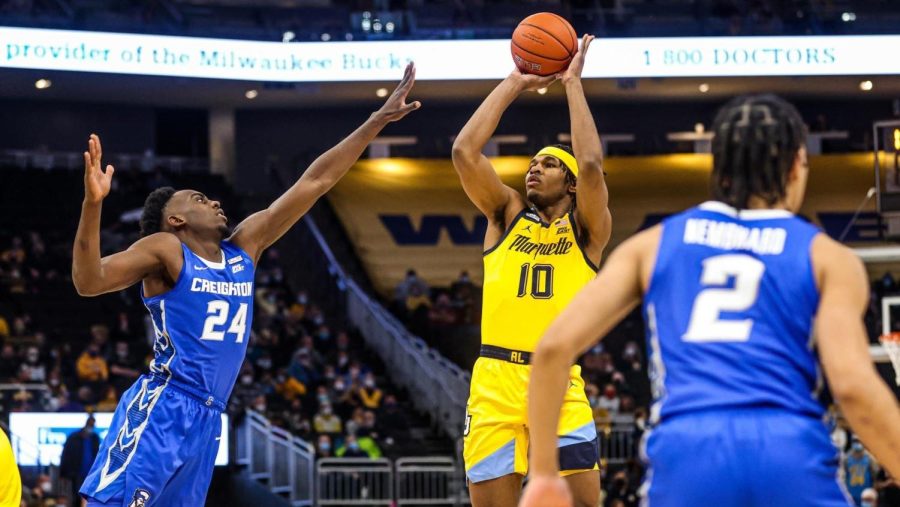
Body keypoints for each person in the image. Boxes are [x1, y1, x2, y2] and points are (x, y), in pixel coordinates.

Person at [521, 94, 900, 507]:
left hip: (688, 451)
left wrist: (542, 474)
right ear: (795, 166)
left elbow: (554, 348)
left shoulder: (652, 245)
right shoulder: (829, 257)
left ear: (717, 165)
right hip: (788, 447)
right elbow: (852, 386)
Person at [72, 64, 420, 507]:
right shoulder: (166, 248)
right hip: (164, 406)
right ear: (176, 220)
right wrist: (92, 204)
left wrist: (376, 121)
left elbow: (315, 182)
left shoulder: (244, 249)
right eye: (199, 199)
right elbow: (89, 281)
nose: (214, 200)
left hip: (209, 415)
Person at [452, 34, 610, 506]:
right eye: (531, 164)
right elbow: (464, 151)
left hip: (559, 381)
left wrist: (573, 83)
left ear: (572, 184)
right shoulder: (504, 216)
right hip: (495, 379)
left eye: (547, 164)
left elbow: (592, 162)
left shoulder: (586, 232)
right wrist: (516, 80)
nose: (533, 170)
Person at [60, 416, 100, 504]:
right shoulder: (73, 438)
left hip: (90, 473)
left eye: (92, 425)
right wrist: (63, 472)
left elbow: (98, 455)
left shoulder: (94, 438)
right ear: (86, 424)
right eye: (90, 425)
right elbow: (66, 455)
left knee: (89, 497)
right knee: (76, 496)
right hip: (76, 473)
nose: (91, 427)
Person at [846, 440, 875, 505]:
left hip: (866, 494)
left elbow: (874, 474)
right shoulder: (847, 458)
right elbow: (844, 475)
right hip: (851, 493)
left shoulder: (869, 458)